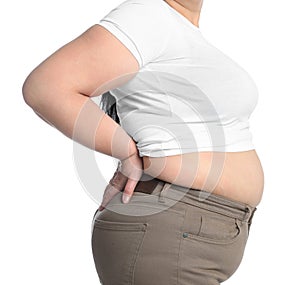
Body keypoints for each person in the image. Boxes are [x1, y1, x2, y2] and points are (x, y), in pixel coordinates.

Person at [22, 0, 264, 284]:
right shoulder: (147, 15)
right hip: (169, 230)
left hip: (191, 231)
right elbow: (46, 88)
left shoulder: (178, 28)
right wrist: (126, 153)